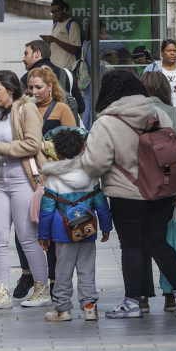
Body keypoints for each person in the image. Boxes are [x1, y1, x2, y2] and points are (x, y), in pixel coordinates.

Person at [81, 69, 176, 319]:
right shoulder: (159, 114)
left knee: (131, 245)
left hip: (126, 195)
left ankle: (133, 302)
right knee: (157, 241)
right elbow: (173, 153)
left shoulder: (106, 122)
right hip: (161, 192)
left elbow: (95, 165)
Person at [0, 70, 51, 309]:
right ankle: (2, 293)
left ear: (10, 89)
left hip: (23, 179)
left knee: (27, 238)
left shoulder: (26, 108)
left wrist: (1, 148)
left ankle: (42, 289)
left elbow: (32, 143)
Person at [9, 66, 75, 300]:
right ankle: (28, 273)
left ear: (50, 87)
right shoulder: (20, 110)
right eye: (30, 87)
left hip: (54, 177)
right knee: (24, 227)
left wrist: (48, 152)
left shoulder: (61, 109)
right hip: (28, 175)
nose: (34, 92)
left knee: (52, 227)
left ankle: (55, 279)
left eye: (39, 87)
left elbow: (74, 143)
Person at [38, 128, 111, 322]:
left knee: (62, 270)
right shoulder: (91, 175)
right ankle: (89, 308)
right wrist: (106, 227)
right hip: (87, 231)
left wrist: (43, 236)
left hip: (63, 234)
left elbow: (46, 212)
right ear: (81, 149)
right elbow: (101, 205)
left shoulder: (53, 179)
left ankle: (62, 309)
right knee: (87, 269)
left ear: (58, 153)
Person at [140, 71, 176, 312]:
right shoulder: (174, 113)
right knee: (164, 239)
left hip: (140, 184)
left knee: (139, 242)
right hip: (169, 185)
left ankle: (141, 297)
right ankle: (170, 295)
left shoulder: (134, 113)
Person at [21, 40, 83, 122]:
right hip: (67, 128)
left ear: (37, 53)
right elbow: (81, 107)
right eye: (31, 88)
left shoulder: (27, 79)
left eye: (26, 54)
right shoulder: (68, 74)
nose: (23, 59)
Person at [42, 0, 81, 70]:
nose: (54, 14)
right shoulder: (55, 25)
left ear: (64, 9)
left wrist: (55, 40)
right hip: (53, 65)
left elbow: (74, 49)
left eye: (56, 11)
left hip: (65, 66)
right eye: (52, 12)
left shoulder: (72, 24)